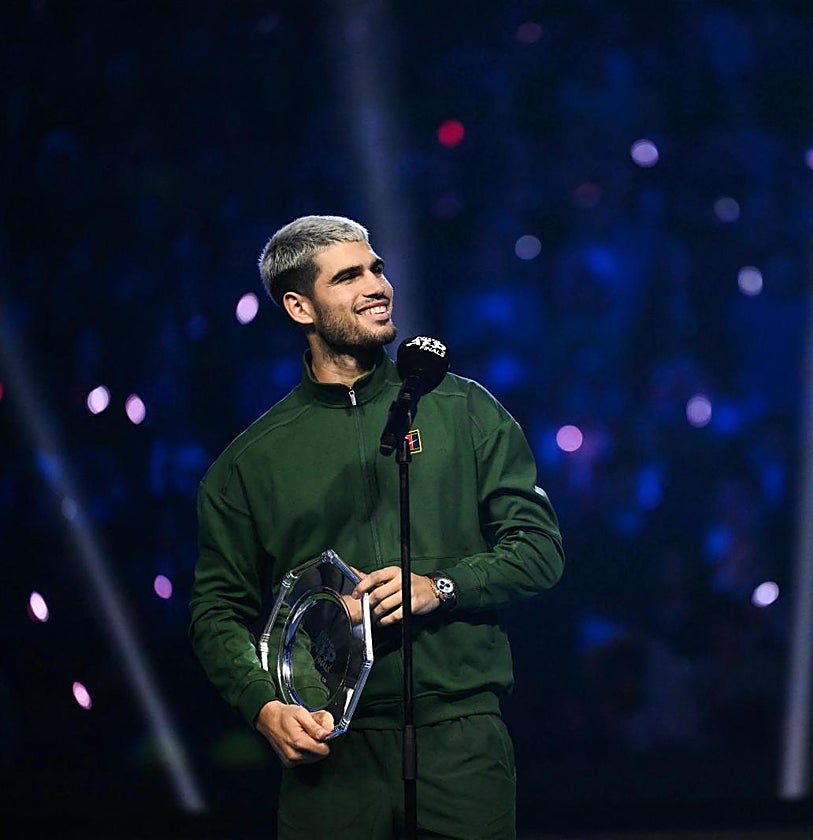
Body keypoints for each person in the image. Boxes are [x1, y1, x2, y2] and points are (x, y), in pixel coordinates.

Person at [189, 214, 565, 839]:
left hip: (461, 735)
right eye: (349, 276)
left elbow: (539, 549)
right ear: (298, 306)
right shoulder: (251, 462)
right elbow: (216, 610)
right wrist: (263, 707)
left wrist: (440, 586)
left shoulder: (465, 409)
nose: (377, 285)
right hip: (330, 749)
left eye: (377, 269)